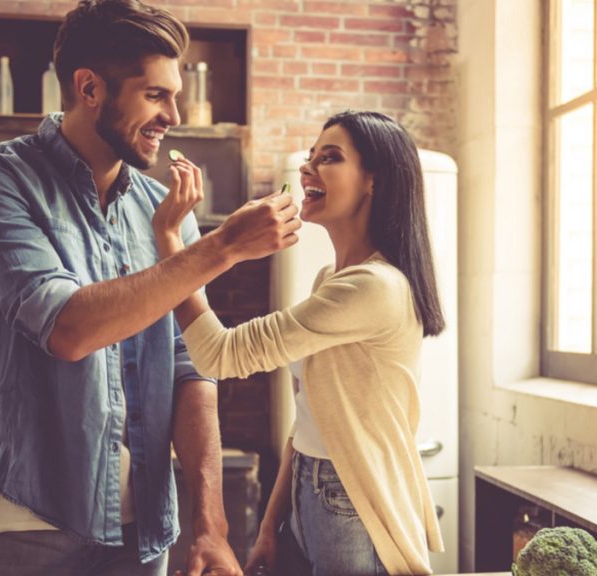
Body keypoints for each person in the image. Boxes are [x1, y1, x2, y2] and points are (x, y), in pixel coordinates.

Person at [0, 1, 300, 574]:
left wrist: (210, 522)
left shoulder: (168, 214)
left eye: (175, 96)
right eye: (155, 95)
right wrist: (221, 247)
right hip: (26, 519)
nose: (172, 115)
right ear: (89, 87)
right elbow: (68, 327)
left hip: (144, 533)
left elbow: (190, 367)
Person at [152, 111, 446, 576]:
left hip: (353, 498)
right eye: (310, 157)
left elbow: (218, 354)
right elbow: (311, 417)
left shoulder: (372, 288)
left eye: (329, 158)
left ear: (374, 180)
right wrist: (273, 524)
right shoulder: (332, 279)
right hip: (313, 487)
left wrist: (173, 240)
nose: (308, 168)